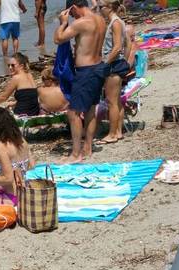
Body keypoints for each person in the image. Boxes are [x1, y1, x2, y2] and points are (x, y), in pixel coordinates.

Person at [53, 0, 107, 163]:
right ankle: (87, 147)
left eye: (71, 12)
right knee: (90, 109)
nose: (71, 16)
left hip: (86, 71)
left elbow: (58, 39)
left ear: (74, 7)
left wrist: (63, 23)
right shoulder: (100, 19)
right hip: (98, 67)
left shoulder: (81, 22)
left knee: (73, 112)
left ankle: (76, 154)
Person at [97, 0, 131, 143]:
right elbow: (127, 44)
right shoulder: (117, 22)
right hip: (117, 63)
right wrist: (126, 61)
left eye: (101, 7)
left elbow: (117, 47)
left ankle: (112, 134)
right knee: (116, 101)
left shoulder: (115, 23)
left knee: (111, 102)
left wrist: (105, 63)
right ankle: (117, 131)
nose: (99, 10)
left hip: (113, 65)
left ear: (109, 8)